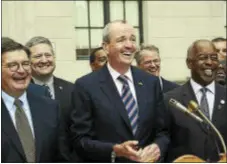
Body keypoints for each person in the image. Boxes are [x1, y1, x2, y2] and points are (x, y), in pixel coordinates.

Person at [70, 20, 169, 162]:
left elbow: (163, 132)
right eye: (121, 40)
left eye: (133, 39)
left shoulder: (150, 82)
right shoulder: (85, 86)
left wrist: (158, 146)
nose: (129, 45)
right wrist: (114, 150)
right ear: (106, 47)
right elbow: (80, 140)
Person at [164, 39, 227, 162]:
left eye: (214, 58)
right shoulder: (171, 100)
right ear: (189, 63)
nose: (209, 62)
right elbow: (163, 140)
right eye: (203, 58)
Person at [1, 40, 62, 162]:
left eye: (25, 63)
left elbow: (61, 156)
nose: (22, 70)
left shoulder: (50, 108)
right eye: (12, 65)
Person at [25, 36, 77, 162]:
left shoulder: (73, 89)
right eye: (37, 56)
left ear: (54, 57)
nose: (44, 60)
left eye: (48, 55)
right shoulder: (22, 91)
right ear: (28, 61)